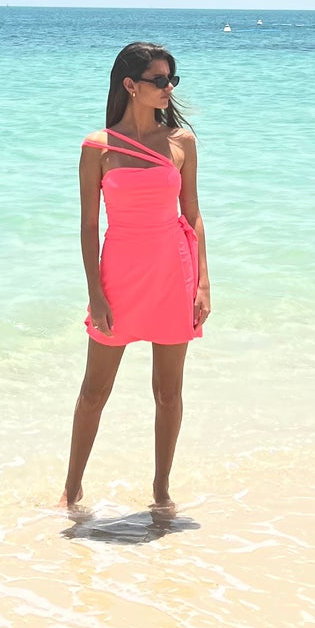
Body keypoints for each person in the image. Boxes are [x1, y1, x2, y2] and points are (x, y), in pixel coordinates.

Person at [57, 42, 210, 525]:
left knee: (169, 392)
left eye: (172, 81)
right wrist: (94, 293)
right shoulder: (97, 147)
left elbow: (194, 215)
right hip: (119, 276)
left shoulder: (182, 142)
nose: (169, 89)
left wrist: (203, 283)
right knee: (93, 391)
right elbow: (87, 226)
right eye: (160, 80)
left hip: (173, 272)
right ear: (131, 85)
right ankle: (70, 492)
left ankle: (161, 492)